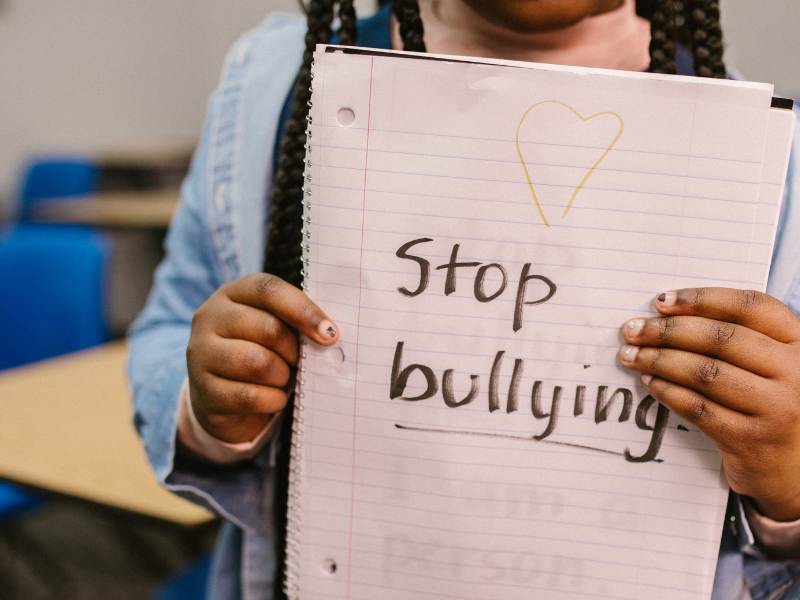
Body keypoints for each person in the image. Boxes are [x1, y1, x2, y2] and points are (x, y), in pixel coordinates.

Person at [127, 1, 800, 598]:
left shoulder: (766, 153)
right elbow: (167, 329)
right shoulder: (273, 85)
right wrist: (211, 407)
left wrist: (790, 483)